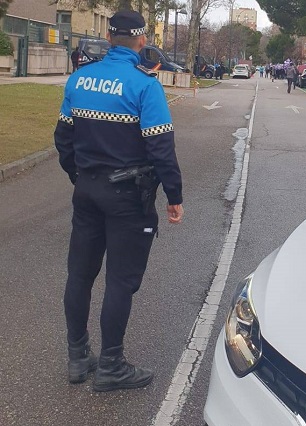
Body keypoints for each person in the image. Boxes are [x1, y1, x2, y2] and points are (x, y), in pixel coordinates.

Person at [54, 10, 184, 392]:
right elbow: (161, 149)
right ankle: (111, 365)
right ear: (142, 41)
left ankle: (78, 357)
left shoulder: (79, 79)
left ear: (109, 38)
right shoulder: (145, 86)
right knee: (120, 281)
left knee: (80, 274)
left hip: (87, 191)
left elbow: (63, 139)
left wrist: (79, 175)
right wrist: (174, 196)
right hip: (127, 197)